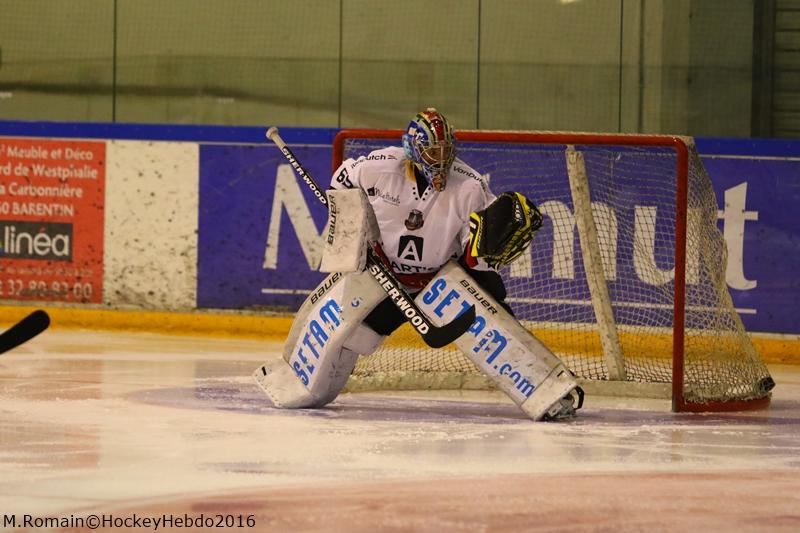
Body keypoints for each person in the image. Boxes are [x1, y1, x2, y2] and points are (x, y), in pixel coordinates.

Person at [329, 107, 541, 338]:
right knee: (351, 335)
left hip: (444, 277)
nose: (441, 160)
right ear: (412, 149)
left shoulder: (469, 186)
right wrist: (355, 239)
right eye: (432, 152)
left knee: (499, 326)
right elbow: (341, 182)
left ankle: (525, 357)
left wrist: (484, 253)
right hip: (385, 272)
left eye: (446, 151)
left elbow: (476, 255)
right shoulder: (380, 168)